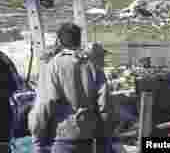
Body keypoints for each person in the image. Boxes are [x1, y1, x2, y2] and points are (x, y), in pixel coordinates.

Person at [29, 23, 110, 153]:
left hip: (62, 136)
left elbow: (44, 104)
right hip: (87, 136)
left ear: (60, 41)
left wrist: (37, 135)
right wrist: (103, 137)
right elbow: (105, 104)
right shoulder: (93, 65)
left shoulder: (53, 66)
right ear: (79, 40)